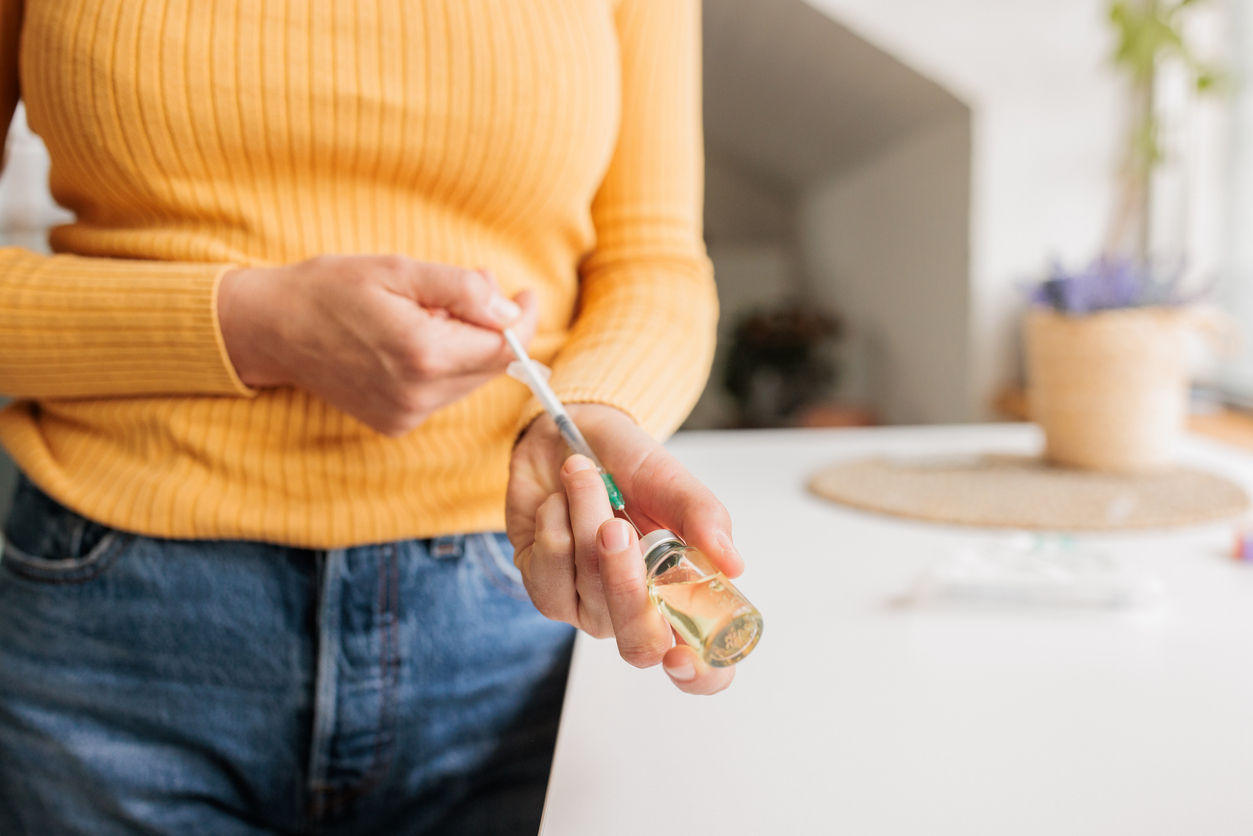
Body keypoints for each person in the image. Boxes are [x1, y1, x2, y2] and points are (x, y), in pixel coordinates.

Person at [0, 1, 744, 834]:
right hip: (107, 644)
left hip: (510, 630)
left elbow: (653, 257)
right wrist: (253, 326)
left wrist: (591, 411)